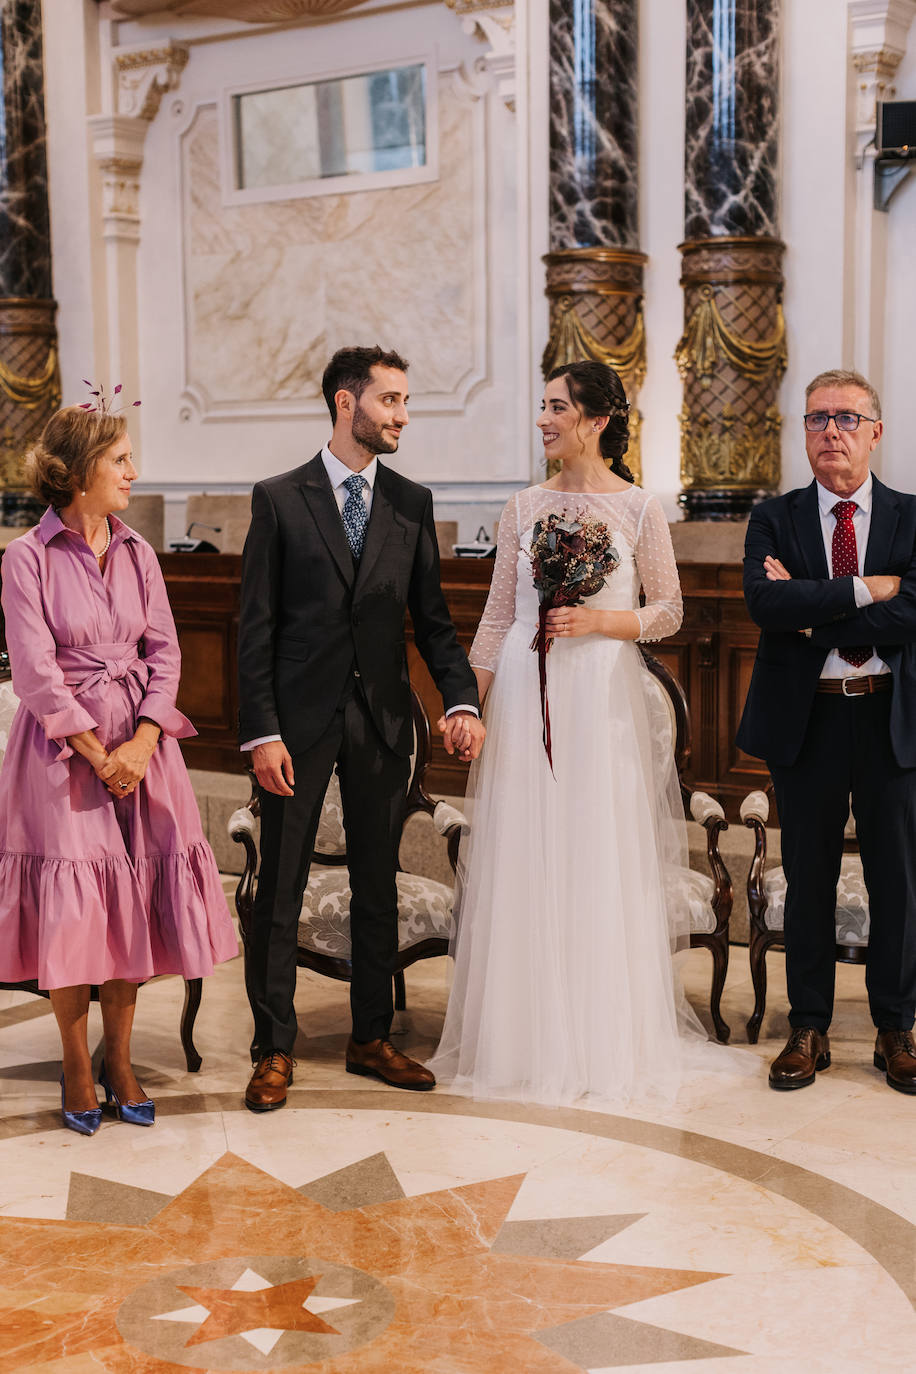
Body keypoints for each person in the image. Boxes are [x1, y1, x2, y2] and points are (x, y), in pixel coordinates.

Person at [429, 360, 712, 1106]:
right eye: (542, 406)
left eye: (556, 407)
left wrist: (601, 623)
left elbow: (670, 611)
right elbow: (496, 619)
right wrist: (467, 703)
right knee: (528, 856)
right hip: (527, 696)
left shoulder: (642, 508)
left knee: (593, 857)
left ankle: (599, 1042)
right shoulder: (522, 508)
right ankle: (522, 1038)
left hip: (600, 700)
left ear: (596, 419)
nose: (543, 419)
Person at [238, 345, 484, 1110]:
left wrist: (462, 701)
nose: (402, 415)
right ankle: (273, 1047)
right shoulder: (279, 498)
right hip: (297, 724)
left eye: (405, 402)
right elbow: (256, 628)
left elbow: (435, 624)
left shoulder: (412, 502)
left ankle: (370, 1037)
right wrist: (261, 732)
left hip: (382, 721)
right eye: (390, 401)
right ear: (347, 404)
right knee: (279, 887)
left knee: (378, 882)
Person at [0, 403, 238, 1135]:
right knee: (76, 911)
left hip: (141, 750)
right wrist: (99, 755)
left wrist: (139, 745)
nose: (134, 472)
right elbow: (36, 673)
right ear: (75, 473)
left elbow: (166, 656)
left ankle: (121, 1057)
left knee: (129, 897)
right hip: (59, 755)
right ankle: (77, 1061)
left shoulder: (138, 552)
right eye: (121, 460)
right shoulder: (25, 558)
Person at [737, 368, 916, 1095]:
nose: (830, 432)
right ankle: (807, 1027)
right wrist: (868, 590)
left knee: (898, 880)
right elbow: (762, 604)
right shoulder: (773, 518)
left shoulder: (911, 516)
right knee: (806, 877)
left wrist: (813, 611)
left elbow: (915, 614)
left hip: (889, 716)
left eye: (846, 418)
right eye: (816, 419)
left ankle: (897, 1028)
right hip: (805, 720)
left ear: (876, 431)